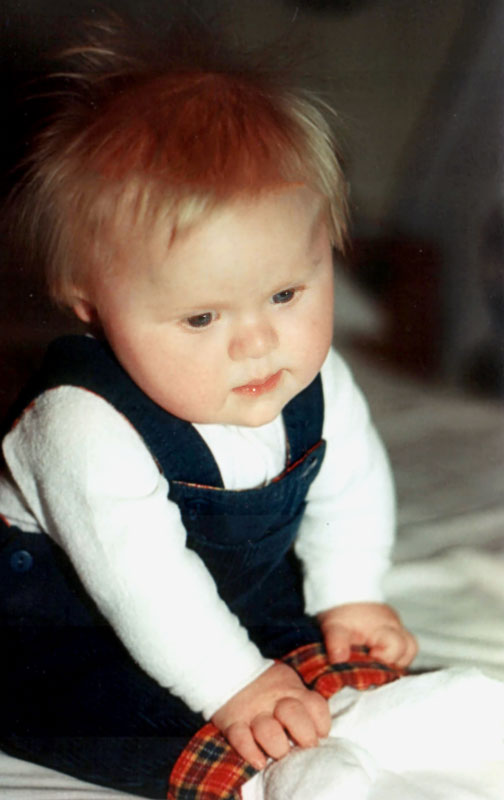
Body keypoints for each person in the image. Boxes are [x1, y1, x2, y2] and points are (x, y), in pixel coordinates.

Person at [0, 15, 417, 799]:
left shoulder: (316, 376)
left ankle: (310, 683)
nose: (258, 343)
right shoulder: (82, 425)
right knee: (92, 700)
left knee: (316, 648)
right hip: (64, 618)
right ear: (89, 307)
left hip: (217, 599)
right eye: (201, 318)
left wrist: (350, 588)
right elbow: (143, 581)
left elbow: (351, 484)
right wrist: (234, 685)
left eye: (287, 293)